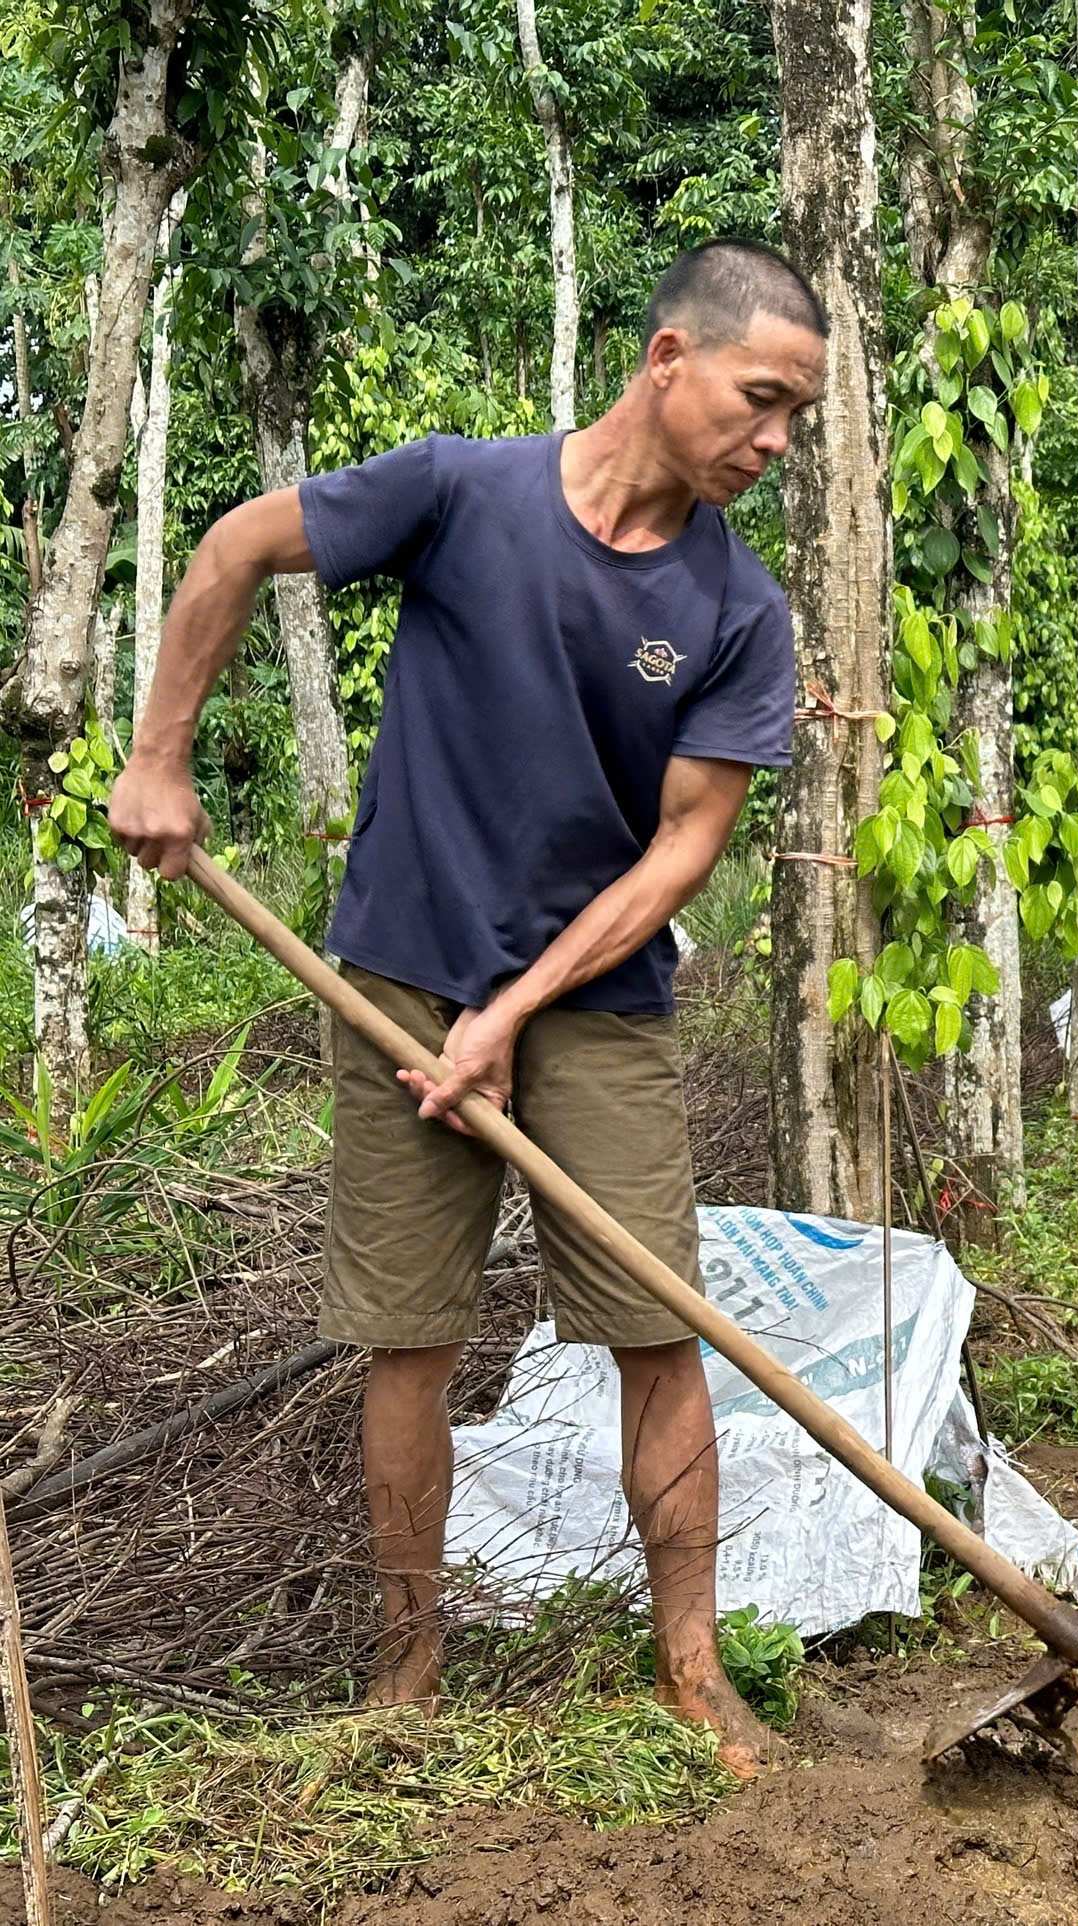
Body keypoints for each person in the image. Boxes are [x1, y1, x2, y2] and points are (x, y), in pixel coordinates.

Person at [108, 239, 825, 1777]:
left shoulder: (737, 609)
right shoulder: (460, 491)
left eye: (795, 420)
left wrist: (517, 1012)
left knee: (660, 1328)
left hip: (596, 1003)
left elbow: (684, 848)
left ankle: (692, 1671)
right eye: (762, 401)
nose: (775, 443)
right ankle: (406, 1671)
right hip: (401, 971)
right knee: (408, 1337)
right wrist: (161, 753)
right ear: (665, 360)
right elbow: (235, 545)